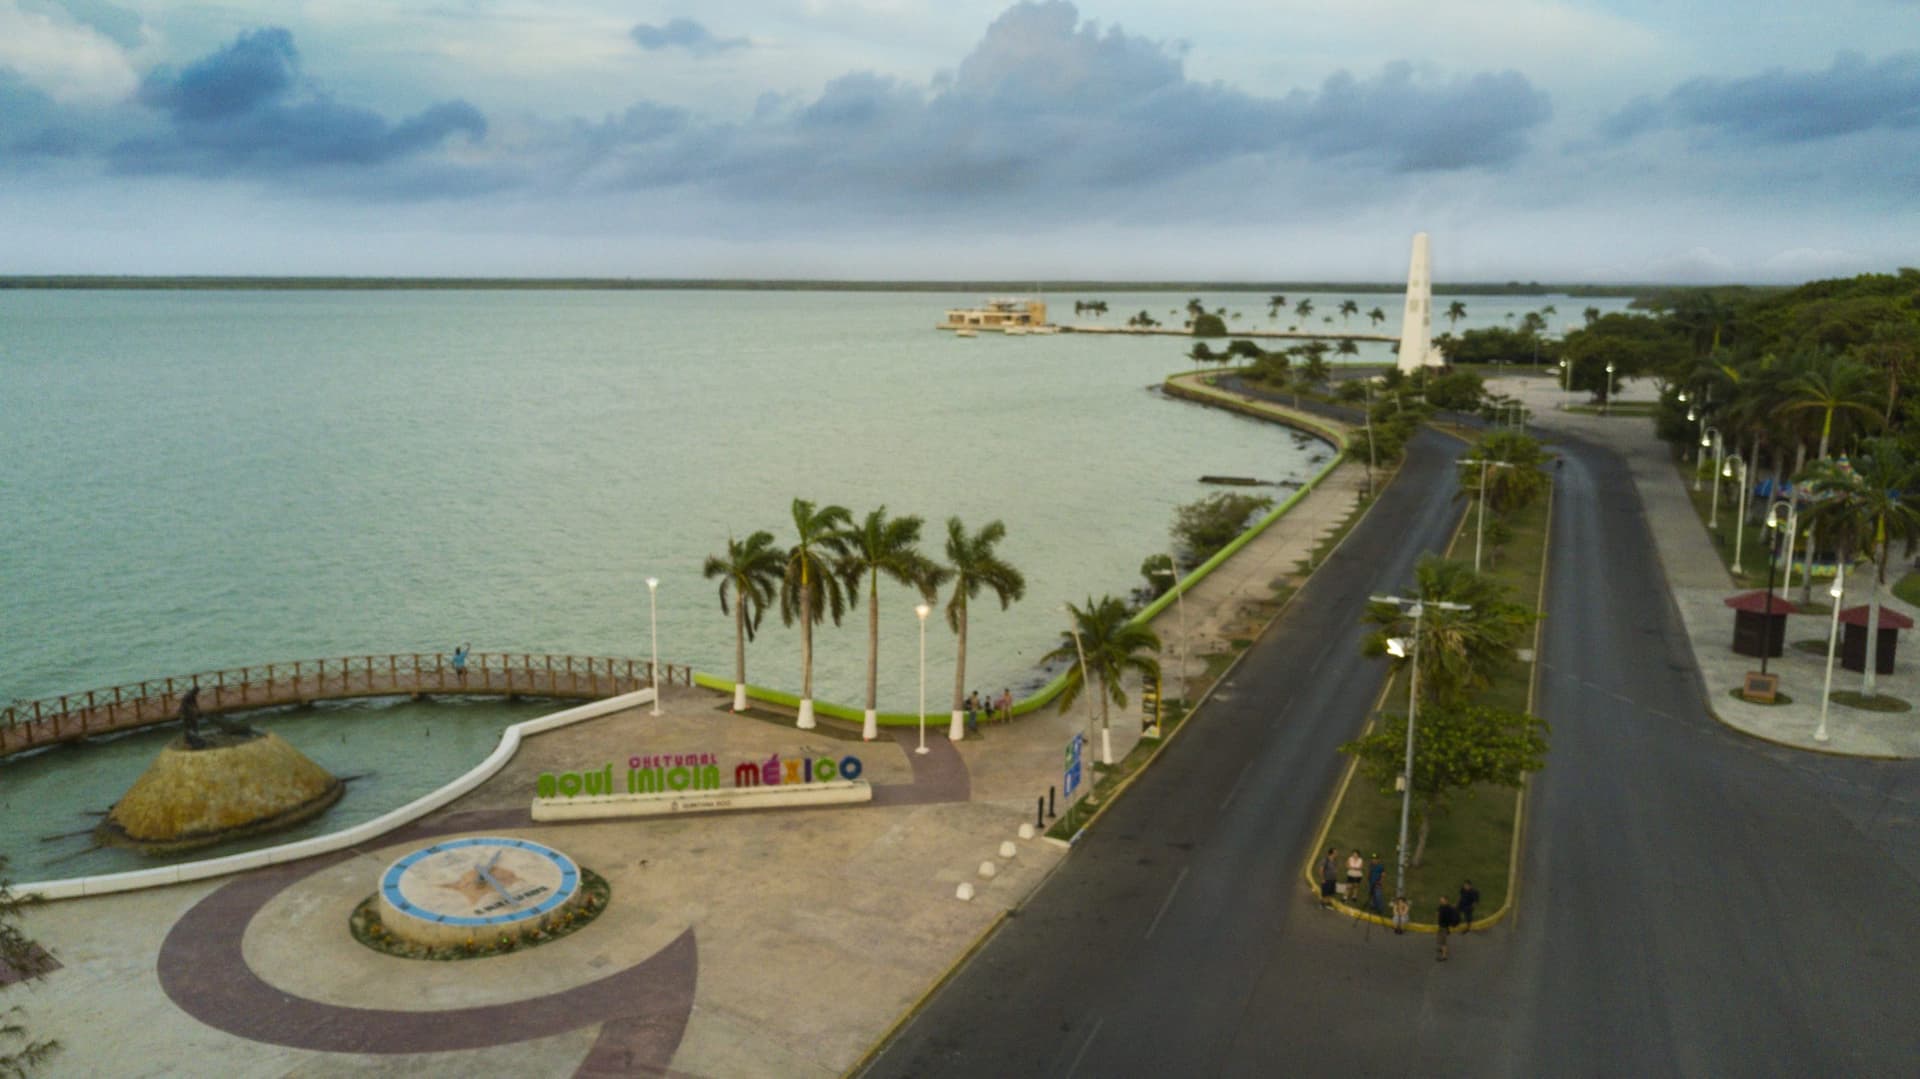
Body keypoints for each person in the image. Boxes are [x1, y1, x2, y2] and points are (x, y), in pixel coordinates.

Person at [1436, 896, 1461, 960]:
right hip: (1443, 926)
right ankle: (1442, 949)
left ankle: (1444, 956)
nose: (1441, 901)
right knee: (1440, 939)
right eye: (1440, 900)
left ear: (1446, 901)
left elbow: (1440, 916)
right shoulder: (1447, 907)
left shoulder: (1445, 908)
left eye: (1442, 900)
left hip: (1443, 927)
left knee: (1443, 941)